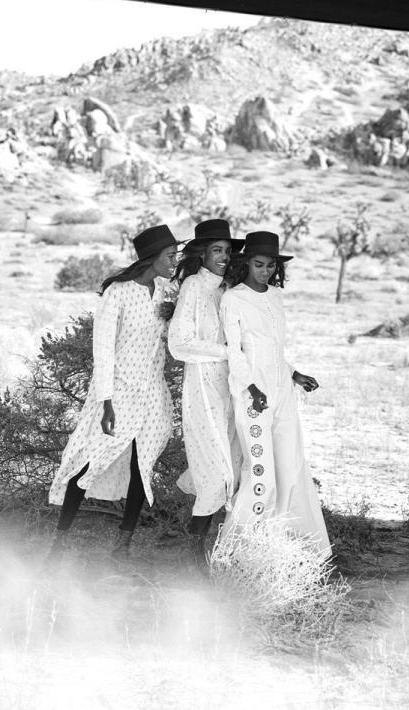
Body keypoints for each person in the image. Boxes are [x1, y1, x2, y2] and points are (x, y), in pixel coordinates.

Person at [47, 224, 179, 562]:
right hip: (117, 393)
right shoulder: (117, 293)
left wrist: (174, 314)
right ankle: (59, 543)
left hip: (152, 394)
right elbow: (102, 351)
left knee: (142, 464)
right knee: (89, 458)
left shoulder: (166, 291)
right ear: (152, 257)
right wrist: (105, 403)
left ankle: (123, 545)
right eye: (169, 255)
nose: (174, 261)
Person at [219, 231, 331, 556]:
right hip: (252, 393)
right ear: (246, 263)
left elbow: (275, 350)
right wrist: (252, 388)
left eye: (270, 265)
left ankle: (285, 548)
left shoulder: (276, 297)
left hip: (282, 390)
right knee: (260, 474)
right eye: (258, 264)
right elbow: (236, 352)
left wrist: (296, 374)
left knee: (290, 467)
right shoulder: (233, 298)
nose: (265, 271)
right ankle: (235, 552)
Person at [168, 219, 244, 569]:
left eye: (228, 251)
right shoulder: (194, 288)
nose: (224, 257)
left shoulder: (228, 289)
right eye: (217, 250)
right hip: (202, 390)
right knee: (217, 472)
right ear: (202, 253)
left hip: (229, 390)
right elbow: (179, 344)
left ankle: (205, 544)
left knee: (233, 466)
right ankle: (194, 551)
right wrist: (227, 352)